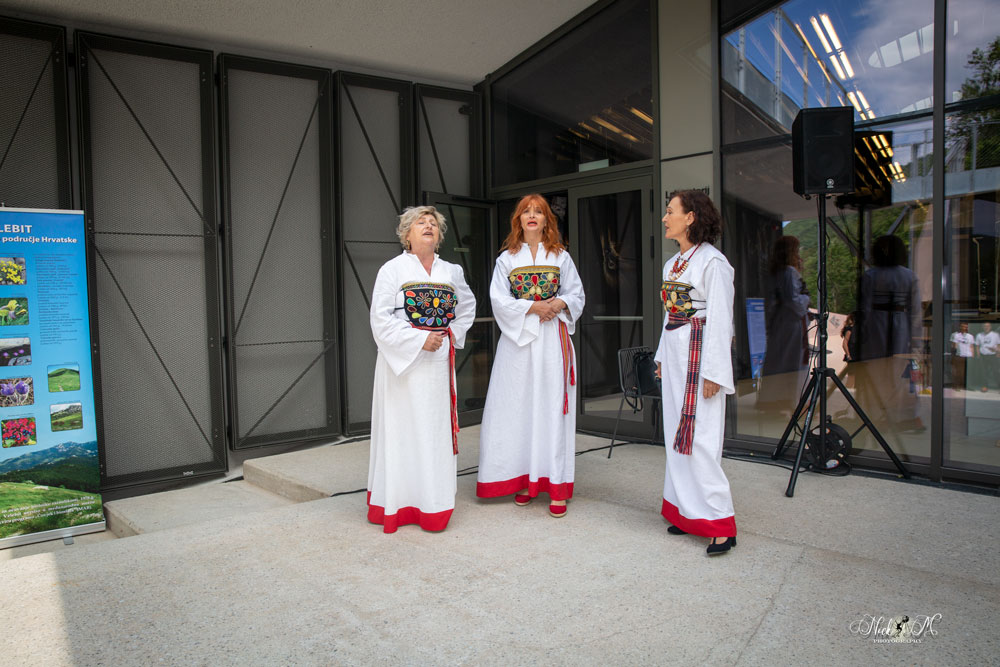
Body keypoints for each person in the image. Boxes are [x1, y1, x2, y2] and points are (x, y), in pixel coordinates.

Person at [367, 206, 476, 533]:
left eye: (433, 224)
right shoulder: (392, 269)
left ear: (439, 236)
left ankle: (433, 506)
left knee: (434, 433)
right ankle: (400, 505)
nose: (428, 226)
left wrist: (450, 334)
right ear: (407, 234)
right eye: (420, 223)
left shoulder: (452, 271)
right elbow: (380, 318)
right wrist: (418, 339)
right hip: (403, 368)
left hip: (438, 364)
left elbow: (467, 307)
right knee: (402, 432)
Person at [477, 194, 585, 518]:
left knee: (551, 409)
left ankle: (555, 485)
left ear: (547, 219)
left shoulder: (561, 256)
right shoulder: (507, 259)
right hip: (519, 344)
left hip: (552, 340)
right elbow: (498, 300)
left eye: (539, 211)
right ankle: (525, 479)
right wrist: (532, 307)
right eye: (527, 212)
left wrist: (559, 303)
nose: (532, 216)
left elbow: (577, 293)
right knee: (519, 408)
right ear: (519, 220)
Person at [654, 190, 737, 555]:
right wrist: (661, 356)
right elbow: (670, 316)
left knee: (700, 437)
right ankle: (686, 511)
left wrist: (715, 372)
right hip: (675, 354)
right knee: (676, 434)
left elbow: (721, 321)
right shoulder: (672, 264)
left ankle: (719, 522)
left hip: (699, 356)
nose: (665, 217)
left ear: (690, 217)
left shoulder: (713, 263)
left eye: (670, 211)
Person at [757, 236, 811, 412]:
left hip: (782, 321)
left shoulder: (778, 272)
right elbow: (793, 300)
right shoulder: (789, 272)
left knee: (779, 361)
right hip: (791, 323)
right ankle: (793, 401)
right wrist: (806, 298)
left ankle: (775, 399)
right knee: (792, 362)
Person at [975, 322, 999, 392]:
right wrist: (978, 355)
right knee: (983, 371)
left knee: (996, 371)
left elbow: (998, 344)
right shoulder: (979, 335)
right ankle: (984, 386)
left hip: (993, 355)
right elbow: (977, 346)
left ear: (990, 327)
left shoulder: (995, 335)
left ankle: (999, 385)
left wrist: (998, 353)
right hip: (983, 355)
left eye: (988, 326)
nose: (986, 327)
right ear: (982, 327)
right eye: (985, 326)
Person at [950, 322, 974, 391]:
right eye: (963, 326)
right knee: (959, 372)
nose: (964, 328)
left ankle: (968, 386)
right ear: (960, 327)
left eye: (966, 327)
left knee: (969, 372)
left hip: (968, 356)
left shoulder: (970, 336)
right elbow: (954, 346)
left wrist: (972, 355)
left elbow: (971, 346)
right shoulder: (956, 335)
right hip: (960, 356)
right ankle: (957, 386)